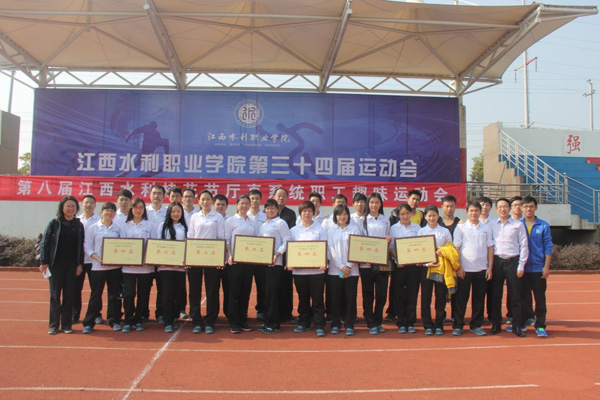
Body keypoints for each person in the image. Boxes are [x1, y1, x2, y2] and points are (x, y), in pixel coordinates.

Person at [40, 196, 84, 335]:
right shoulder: (54, 223)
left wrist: (79, 264)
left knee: (69, 295)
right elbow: (45, 242)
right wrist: (44, 262)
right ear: (62, 208)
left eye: (73, 206)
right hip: (55, 264)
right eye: (68, 206)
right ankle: (54, 325)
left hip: (71, 264)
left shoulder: (78, 225)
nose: (71, 209)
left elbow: (80, 246)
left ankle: (66, 324)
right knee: (54, 295)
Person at [452, 200, 494, 336]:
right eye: (471, 210)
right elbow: (456, 248)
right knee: (461, 299)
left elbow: (490, 248)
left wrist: (489, 268)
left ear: (480, 212)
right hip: (465, 270)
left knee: (479, 299)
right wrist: (459, 267)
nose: (474, 213)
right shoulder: (460, 228)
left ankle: (476, 325)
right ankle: (458, 325)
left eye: (476, 210)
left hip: (481, 269)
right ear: (466, 212)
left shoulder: (486, 228)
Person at [187, 190, 226, 334]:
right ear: (199, 201)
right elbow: (190, 236)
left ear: (212, 201)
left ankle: (210, 321)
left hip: (212, 258)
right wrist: (188, 256)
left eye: (208, 199)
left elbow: (221, 237)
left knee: (212, 290)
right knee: (194, 290)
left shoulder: (218, 217)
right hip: (196, 257)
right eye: (202, 199)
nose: (205, 202)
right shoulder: (194, 217)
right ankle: (196, 320)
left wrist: (220, 258)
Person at [489, 198, 529, 337]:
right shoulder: (492, 225)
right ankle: (496, 324)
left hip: (513, 262)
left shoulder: (518, 225)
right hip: (497, 262)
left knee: (515, 295)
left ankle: (517, 325)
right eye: (500, 207)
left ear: (510, 208)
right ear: (496, 209)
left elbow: (524, 245)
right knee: (495, 295)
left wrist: (521, 265)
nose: (503, 209)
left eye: (505, 206)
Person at [82, 202, 123, 334]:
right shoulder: (93, 228)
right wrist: (97, 258)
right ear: (102, 212)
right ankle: (89, 322)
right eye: (107, 210)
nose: (109, 213)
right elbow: (87, 246)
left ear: (115, 214)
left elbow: (123, 246)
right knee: (95, 295)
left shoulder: (118, 229)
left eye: (112, 211)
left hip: (115, 268)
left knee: (114, 295)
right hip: (98, 267)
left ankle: (114, 320)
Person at [290, 201, 328, 337]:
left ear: (313, 212)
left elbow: (326, 247)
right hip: (299, 271)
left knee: (318, 299)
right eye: (304, 211)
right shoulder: (294, 230)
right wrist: (290, 263)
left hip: (317, 271)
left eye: (309, 211)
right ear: (300, 213)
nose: (307, 213)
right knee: (303, 298)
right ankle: (304, 323)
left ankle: (319, 325)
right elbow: (290, 249)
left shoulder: (320, 229)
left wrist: (324, 262)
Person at [257, 199, 292, 334]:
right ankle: (267, 321)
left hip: (275, 263)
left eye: (272, 208)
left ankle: (274, 324)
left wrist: (277, 254)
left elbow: (287, 240)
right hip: (263, 263)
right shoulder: (264, 225)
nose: (270, 210)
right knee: (265, 293)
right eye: (267, 208)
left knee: (272, 294)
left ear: (277, 210)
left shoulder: (280, 223)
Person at [417, 205, 453, 335]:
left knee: (440, 297)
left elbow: (450, 247)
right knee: (426, 297)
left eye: (434, 215)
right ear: (425, 217)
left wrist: (442, 251)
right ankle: (427, 325)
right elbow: (417, 251)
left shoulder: (444, 231)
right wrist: (427, 263)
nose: (432, 218)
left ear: (438, 216)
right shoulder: (421, 231)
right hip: (426, 268)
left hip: (441, 268)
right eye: (429, 216)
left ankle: (439, 325)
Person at [519, 195, 553, 338]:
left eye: (531, 206)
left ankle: (540, 325)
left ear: (536, 208)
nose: (529, 209)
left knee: (539, 298)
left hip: (538, 268)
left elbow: (548, 246)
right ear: (522, 208)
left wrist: (546, 266)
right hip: (523, 268)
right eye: (526, 206)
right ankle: (523, 322)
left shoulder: (543, 225)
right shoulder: (517, 225)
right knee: (523, 297)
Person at [120, 198, 154, 333]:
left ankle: (139, 320)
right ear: (131, 209)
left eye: (141, 208)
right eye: (135, 207)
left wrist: (148, 259)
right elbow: (122, 246)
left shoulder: (150, 225)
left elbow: (154, 244)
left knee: (143, 295)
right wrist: (128, 260)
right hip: (128, 268)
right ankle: (128, 320)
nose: (138, 210)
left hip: (146, 268)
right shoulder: (125, 226)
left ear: (144, 209)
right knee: (129, 294)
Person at [225, 195, 257, 333]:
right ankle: (233, 322)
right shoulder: (231, 221)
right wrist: (230, 255)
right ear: (237, 205)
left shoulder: (253, 222)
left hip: (248, 262)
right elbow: (227, 239)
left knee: (245, 292)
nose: (244, 206)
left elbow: (256, 241)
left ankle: (243, 320)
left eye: (246, 203)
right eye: (242, 203)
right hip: (235, 262)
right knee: (234, 292)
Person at [327, 204, 361, 336]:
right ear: (335, 216)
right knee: (335, 298)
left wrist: (348, 266)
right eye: (339, 214)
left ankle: (349, 324)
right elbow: (331, 249)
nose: (342, 217)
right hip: (335, 270)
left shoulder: (354, 229)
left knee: (350, 298)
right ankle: (335, 324)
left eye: (345, 214)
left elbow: (357, 248)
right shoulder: (331, 230)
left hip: (352, 270)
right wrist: (341, 266)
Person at [360, 193, 391, 335]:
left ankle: (378, 320)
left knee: (382, 293)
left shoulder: (385, 219)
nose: (374, 205)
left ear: (381, 204)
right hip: (366, 263)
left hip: (382, 261)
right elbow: (359, 240)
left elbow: (389, 236)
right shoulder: (363, 220)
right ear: (368, 204)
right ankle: (370, 322)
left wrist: (389, 239)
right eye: (371, 202)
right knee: (368, 293)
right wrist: (364, 257)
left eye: (377, 202)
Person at [389, 203, 421, 334]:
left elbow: (420, 246)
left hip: (414, 266)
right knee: (398, 294)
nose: (405, 216)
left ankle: (411, 322)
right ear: (398, 215)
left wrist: (419, 258)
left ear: (411, 214)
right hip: (399, 266)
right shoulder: (393, 228)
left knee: (412, 293)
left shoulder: (417, 228)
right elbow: (391, 247)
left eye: (407, 213)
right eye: (402, 214)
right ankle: (401, 322)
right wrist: (397, 259)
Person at [156, 202, 188, 333]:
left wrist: (183, 260)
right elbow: (158, 244)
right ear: (169, 213)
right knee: (167, 294)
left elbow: (188, 245)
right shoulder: (162, 226)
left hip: (180, 267)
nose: (176, 214)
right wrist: (163, 261)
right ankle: (167, 321)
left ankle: (174, 317)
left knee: (177, 294)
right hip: (165, 267)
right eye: (173, 211)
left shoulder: (185, 227)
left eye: (178, 211)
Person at [73, 194, 100, 324]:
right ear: (82, 205)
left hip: (94, 261)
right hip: (78, 261)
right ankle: (75, 314)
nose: (88, 205)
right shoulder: (76, 221)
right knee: (75, 289)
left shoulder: (99, 221)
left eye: (91, 203)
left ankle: (96, 314)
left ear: (95, 205)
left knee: (96, 290)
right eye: (86, 202)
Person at [274, 187, 296, 322]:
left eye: (283, 195)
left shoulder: (290, 213)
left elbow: (291, 234)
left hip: (286, 254)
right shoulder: (267, 212)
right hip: (272, 256)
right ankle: (271, 312)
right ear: (274, 197)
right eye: (278, 195)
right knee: (273, 285)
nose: (281, 197)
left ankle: (287, 312)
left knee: (287, 284)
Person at [147, 184, 167, 323]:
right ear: (150, 195)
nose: (156, 196)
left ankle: (160, 313)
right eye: (154, 193)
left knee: (162, 287)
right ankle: (143, 313)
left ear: (164, 196)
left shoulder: (167, 212)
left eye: (159, 193)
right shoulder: (143, 211)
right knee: (144, 287)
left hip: (162, 254)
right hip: (145, 255)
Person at [248, 189, 267, 321]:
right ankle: (243, 311)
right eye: (252, 199)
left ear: (260, 200)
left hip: (261, 257)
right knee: (245, 285)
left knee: (262, 285)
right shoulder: (244, 215)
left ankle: (261, 310)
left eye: (257, 198)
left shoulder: (265, 216)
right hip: (246, 257)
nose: (254, 201)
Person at [213, 193, 230, 320]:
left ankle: (229, 313)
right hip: (213, 260)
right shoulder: (209, 220)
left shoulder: (231, 220)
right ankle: (213, 315)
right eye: (218, 204)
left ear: (227, 206)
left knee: (229, 288)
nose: (220, 207)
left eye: (223, 204)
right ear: (213, 205)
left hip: (228, 260)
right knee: (213, 289)